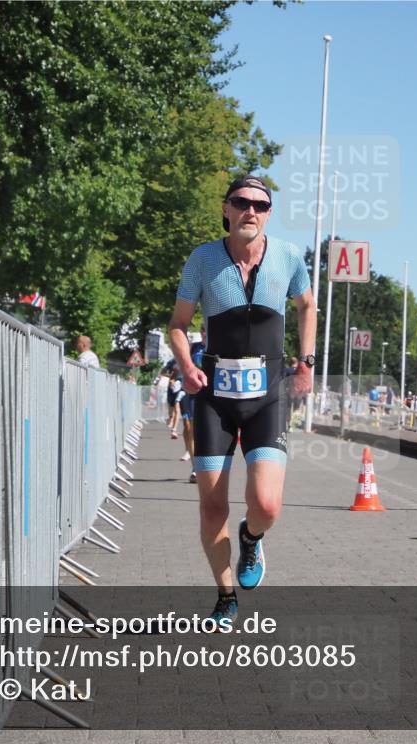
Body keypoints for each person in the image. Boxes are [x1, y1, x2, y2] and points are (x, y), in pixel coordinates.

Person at [168, 175, 316, 624]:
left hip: (268, 394)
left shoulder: (289, 257)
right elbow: (177, 324)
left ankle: (251, 539)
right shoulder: (203, 259)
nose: (250, 210)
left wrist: (306, 362)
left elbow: (308, 305)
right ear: (227, 209)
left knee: (267, 504)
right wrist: (186, 365)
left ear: (269, 213)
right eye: (241, 202)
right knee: (213, 505)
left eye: (260, 204)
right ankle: (226, 595)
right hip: (213, 395)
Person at [180, 326, 208, 481]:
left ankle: (206, 465)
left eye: (207, 330)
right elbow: (184, 364)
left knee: (204, 430)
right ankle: (195, 466)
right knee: (192, 428)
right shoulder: (195, 347)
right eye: (202, 330)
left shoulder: (218, 346)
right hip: (193, 393)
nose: (204, 333)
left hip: (211, 393)